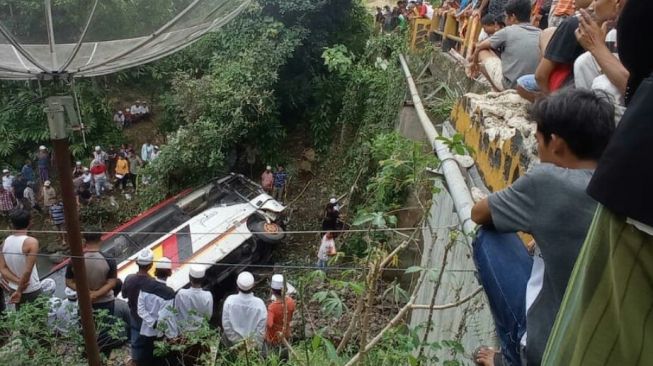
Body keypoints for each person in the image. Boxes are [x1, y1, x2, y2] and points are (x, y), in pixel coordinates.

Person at [470, 88, 615, 366]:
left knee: (490, 235)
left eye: (538, 142)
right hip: (604, 346)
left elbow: (479, 213)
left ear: (556, 143)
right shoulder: (622, 182)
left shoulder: (548, 181)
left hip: (550, 351)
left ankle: (513, 356)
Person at [542, 1, 652, 364]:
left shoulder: (546, 182)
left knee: (595, 339)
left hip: (638, 204)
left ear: (555, 143)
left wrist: (600, 48)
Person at [471, 0, 542, 91]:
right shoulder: (540, 33)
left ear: (513, 17)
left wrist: (473, 63)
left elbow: (479, 47)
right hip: (534, 86)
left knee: (482, 51)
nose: (504, 19)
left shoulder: (507, 31)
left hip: (512, 86)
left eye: (506, 16)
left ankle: (497, 90)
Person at [533, 0, 593, 95]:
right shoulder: (612, 27)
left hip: (565, 95)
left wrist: (549, 100)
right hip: (585, 95)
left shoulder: (574, 23)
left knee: (522, 83)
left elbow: (540, 76)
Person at [137, 257, 175, 365]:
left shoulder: (144, 286)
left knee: (145, 359)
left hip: (145, 331)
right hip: (159, 335)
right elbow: (165, 317)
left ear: (155, 271)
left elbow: (140, 310)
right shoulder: (169, 293)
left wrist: (151, 322)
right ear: (169, 273)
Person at [0, 210, 41, 310]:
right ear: (30, 222)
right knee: (39, 322)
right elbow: (27, 271)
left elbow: (3, 269)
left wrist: (18, 282)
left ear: (12, 224)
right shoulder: (31, 242)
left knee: (23, 320)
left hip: (13, 287)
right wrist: (20, 289)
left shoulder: (5, 242)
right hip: (30, 288)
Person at [122, 249, 156, 365]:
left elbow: (124, 294)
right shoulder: (153, 283)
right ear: (151, 265)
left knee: (135, 342)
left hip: (134, 316)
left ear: (137, 263)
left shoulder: (129, 279)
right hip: (147, 318)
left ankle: (136, 361)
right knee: (149, 344)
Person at [222, 271, 267, 349]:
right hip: (253, 345)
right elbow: (261, 329)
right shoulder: (260, 304)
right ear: (253, 286)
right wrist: (253, 345)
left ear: (237, 287)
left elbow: (226, 325)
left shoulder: (229, 301)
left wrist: (236, 342)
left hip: (234, 343)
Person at [265, 274, 296, 351]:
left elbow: (269, 324)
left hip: (275, 338)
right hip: (286, 333)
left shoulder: (272, 307)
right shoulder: (291, 301)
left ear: (272, 290)